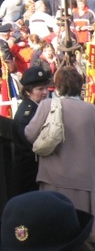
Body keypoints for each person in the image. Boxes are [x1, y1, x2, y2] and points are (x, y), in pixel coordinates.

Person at [24, 66, 95, 239]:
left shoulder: (47, 105)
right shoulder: (90, 110)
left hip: (53, 176)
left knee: (54, 230)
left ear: (58, 85)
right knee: (81, 229)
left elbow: (29, 134)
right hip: (84, 178)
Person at [11, 67, 51, 196]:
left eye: (46, 88)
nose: (45, 92)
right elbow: (31, 143)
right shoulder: (26, 114)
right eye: (40, 89)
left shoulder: (37, 108)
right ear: (28, 92)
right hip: (29, 175)